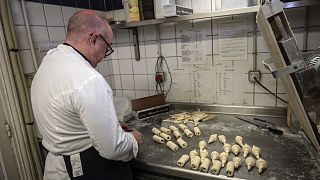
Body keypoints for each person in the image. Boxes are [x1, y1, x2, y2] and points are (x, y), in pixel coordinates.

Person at [31, 10, 143, 180]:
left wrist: (109, 126)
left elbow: (68, 119)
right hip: (85, 169)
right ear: (94, 39)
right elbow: (113, 148)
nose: (104, 57)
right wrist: (133, 139)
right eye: (107, 48)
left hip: (56, 168)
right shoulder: (88, 79)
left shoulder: (49, 62)